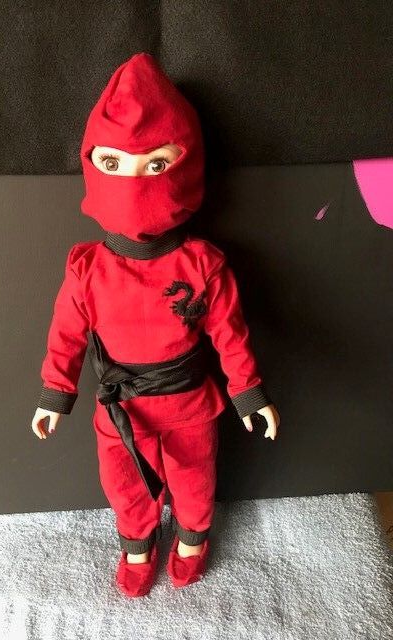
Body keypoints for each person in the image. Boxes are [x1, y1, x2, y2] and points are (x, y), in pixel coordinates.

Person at [31, 52, 280, 598]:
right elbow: (66, 336)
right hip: (122, 407)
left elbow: (230, 334)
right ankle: (137, 544)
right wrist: (55, 393)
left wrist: (249, 392)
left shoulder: (202, 263)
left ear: (185, 167)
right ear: (93, 166)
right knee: (125, 485)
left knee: (195, 480)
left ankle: (191, 539)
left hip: (190, 404)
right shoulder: (87, 268)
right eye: (114, 163)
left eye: (156, 164)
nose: (134, 182)